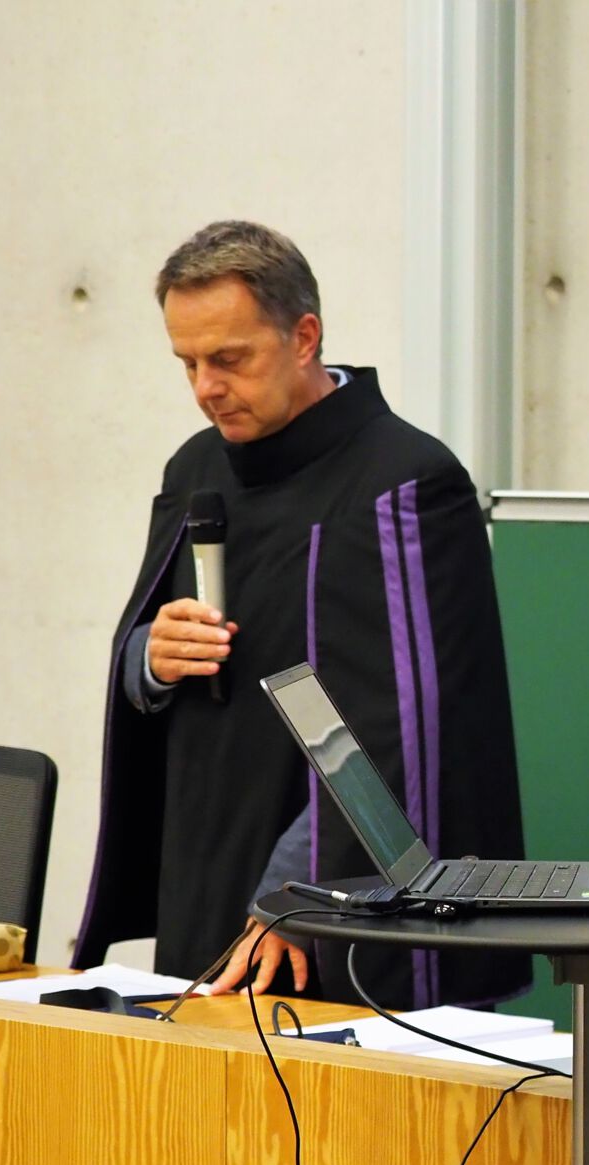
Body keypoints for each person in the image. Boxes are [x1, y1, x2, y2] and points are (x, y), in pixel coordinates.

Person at [74, 220, 529, 1007]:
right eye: (187, 363)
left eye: (229, 359)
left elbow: (408, 728)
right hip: (208, 862)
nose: (205, 388)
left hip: (341, 909)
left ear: (304, 337)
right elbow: (141, 643)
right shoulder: (194, 468)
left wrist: (300, 895)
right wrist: (151, 656)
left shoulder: (405, 480)